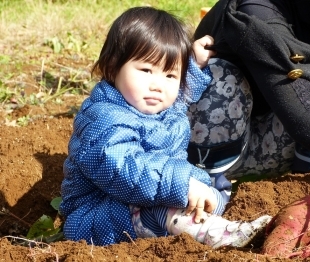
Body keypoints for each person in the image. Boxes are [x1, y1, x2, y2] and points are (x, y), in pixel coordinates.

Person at [59, 6, 271, 247]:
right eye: (146, 70)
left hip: (151, 193)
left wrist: (192, 63)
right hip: (97, 217)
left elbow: (180, 94)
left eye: (170, 75)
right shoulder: (104, 117)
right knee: (166, 206)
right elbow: (123, 167)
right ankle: (222, 237)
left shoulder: (157, 104)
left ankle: (212, 222)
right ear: (111, 68)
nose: (157, 85)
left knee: (214, 189)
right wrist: (184, 184)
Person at [187, 0, 310, 182]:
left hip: (277, 142)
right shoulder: (258, 10)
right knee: (219, 77)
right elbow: (301, 112)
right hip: (217, 144)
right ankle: (209, 190)